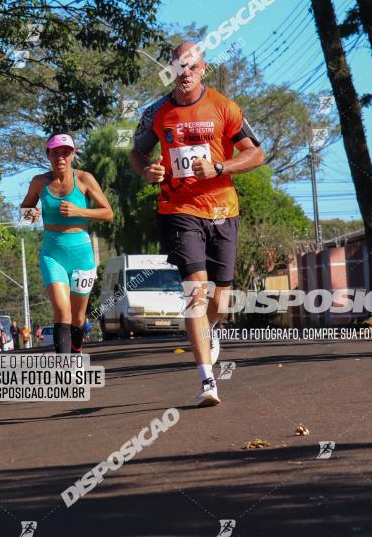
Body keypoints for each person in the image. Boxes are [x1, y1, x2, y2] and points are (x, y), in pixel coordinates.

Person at [130, 42, 264, 407]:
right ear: (171, 71)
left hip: (222, 210)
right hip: (178, 209)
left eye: (191, 67)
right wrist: (148, 170)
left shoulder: (225, 107)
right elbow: (137, 152)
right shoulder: (156, 112)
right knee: (196, 291)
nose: (185, 73)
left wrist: (221, 167)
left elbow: (256, 152)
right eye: (178, 67)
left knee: (221, 301)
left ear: (203, 68)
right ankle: (207, 380)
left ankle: (210, 328)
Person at [20, 133, 113, 353]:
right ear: (48, 155)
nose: (60, 157)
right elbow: (25, 210)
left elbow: (108, 213)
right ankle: (64, 369)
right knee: (62, 311)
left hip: (81, 253)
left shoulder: (84, 179)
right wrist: (30, 214)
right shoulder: (39, 182)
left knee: (78, 317)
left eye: (65, 152)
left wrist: (79, 210)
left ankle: (76, 352)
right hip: (53, 253)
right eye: (55, 153)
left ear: (72, 154)